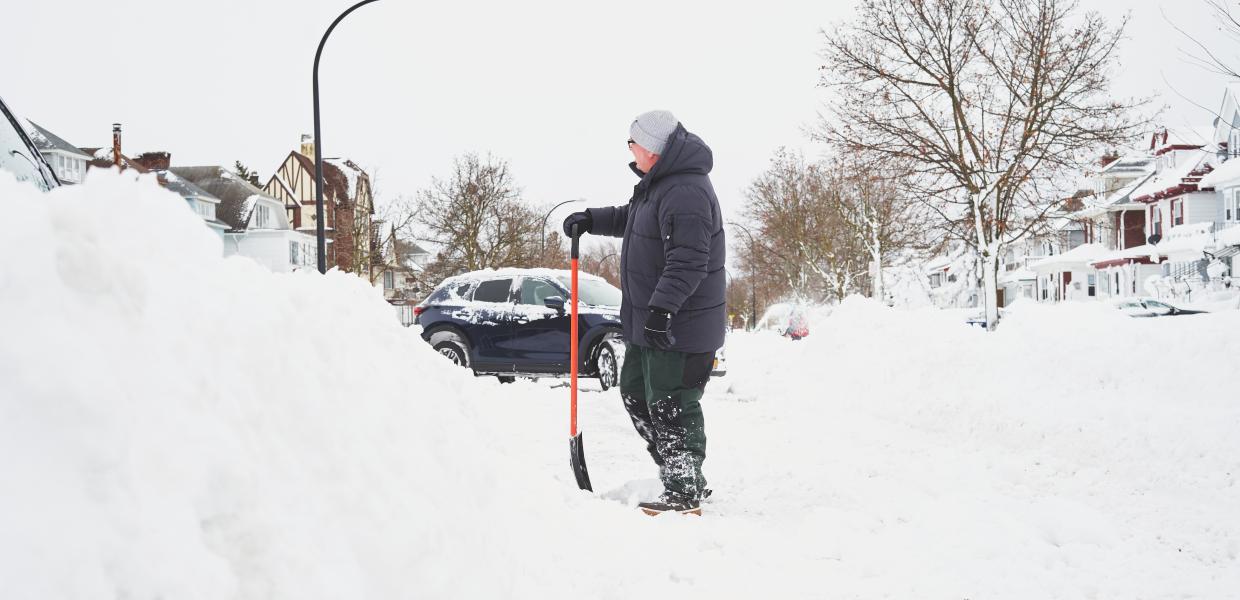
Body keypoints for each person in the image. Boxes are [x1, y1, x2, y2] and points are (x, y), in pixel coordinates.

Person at [563, 110, 726, 515]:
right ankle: (676, 471)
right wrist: (592, 219)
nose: (630, 149)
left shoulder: (685, 192)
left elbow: (689, 261)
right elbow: (633, 221)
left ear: (652, 147)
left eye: (633, 142)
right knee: (636, 393)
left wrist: (662, 310)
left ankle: (684, 488)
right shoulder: (658, 186)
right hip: (651, 322)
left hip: (678, 325)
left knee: (671, 402)